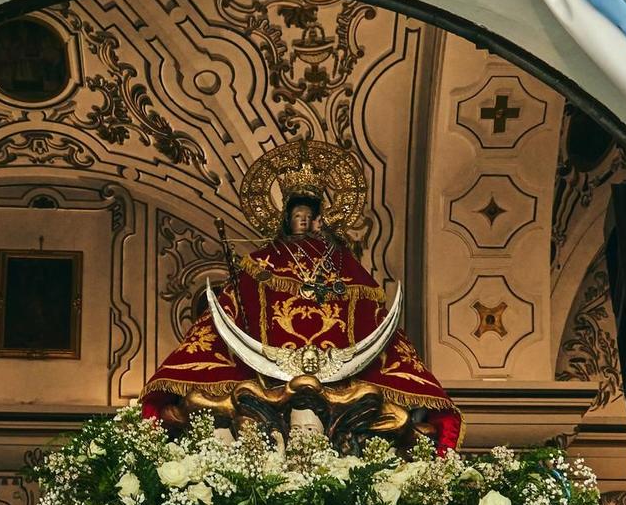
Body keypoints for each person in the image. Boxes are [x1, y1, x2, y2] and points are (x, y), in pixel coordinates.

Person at [140, 166, 461, 450]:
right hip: (263, 380)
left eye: (308, 215)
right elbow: (221, 320)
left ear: (319, 219)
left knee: (395, 416)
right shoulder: (258, 265)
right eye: (297, 215)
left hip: (343, 383)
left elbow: (374, 321)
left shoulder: (346, 269)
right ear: (286, 218)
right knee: (201, 403)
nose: (303, 221)